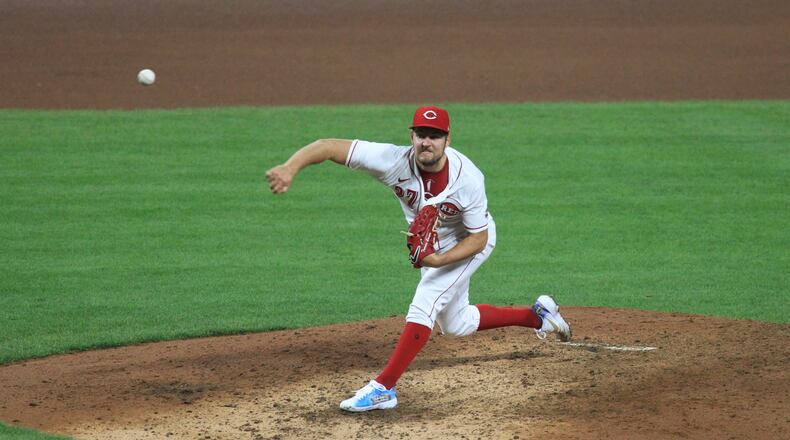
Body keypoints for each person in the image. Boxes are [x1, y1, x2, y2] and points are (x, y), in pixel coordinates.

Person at [265, 106, 571, 412]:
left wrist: (439, 261)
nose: (427, 142)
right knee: (456, 324)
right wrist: (290, 168)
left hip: (469, 241)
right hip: (435, 244)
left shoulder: (468, 179)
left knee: (426, 301)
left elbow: (479, 239)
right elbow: (327, 146)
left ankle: (384, 387)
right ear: (412, 136)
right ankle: (539, 316)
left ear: (447, 139)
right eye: (421, 135)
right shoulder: (392, 160)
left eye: (435, 136)